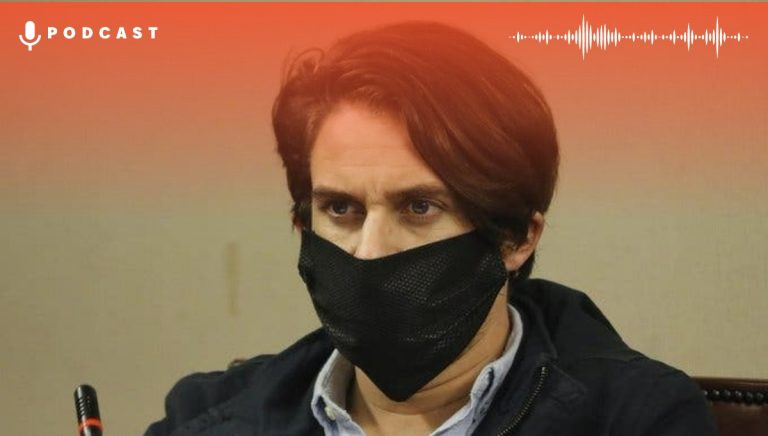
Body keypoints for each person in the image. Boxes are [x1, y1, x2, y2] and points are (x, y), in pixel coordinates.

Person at [145, 22, 717, 436]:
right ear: (302, 225)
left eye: (419, 207)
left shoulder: (639, 419)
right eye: (341, 209)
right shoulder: (205, 420)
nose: (369, 252)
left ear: (517, 238)